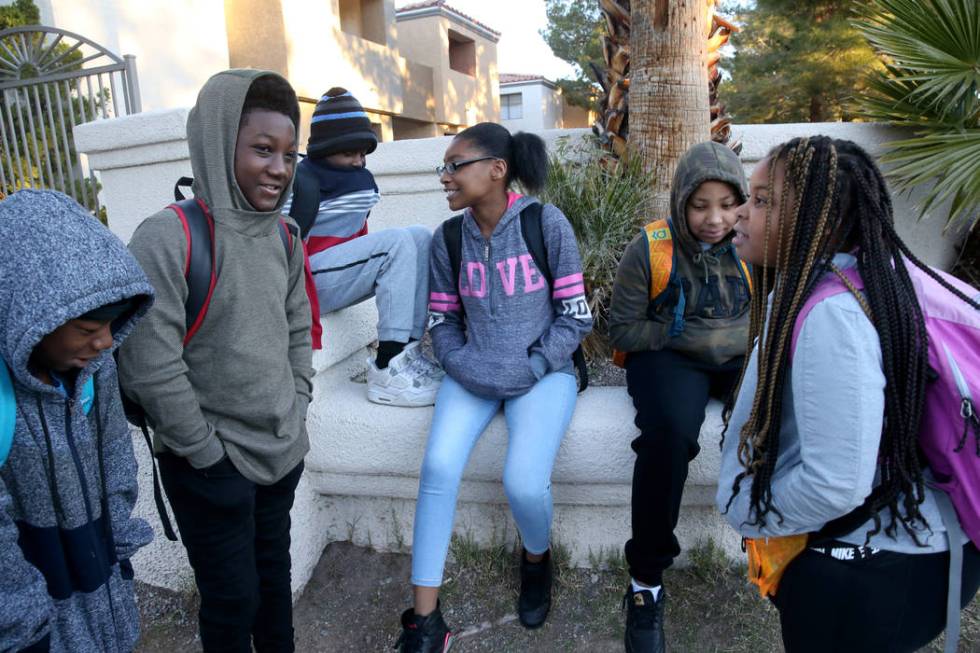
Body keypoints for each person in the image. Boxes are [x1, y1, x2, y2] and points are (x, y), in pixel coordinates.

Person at [716, 136, 980, 652]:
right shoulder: (854, 278)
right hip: (884, 551)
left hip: (872, 571)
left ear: (822, 219)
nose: (741, 213)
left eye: (763, 200)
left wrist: (748, 511)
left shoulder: (832, 312)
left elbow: (834, 484)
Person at [117, 70, 313, 653]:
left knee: (274, 593)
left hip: (281, 454)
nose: (279, 169)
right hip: (211, 470)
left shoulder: (284, 236)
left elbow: (297, 325)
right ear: (217, 140)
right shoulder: (166, 238)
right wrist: (206, 455)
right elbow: (149, 364)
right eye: (261, 149)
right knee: (232, 605)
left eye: (287, 153)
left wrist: (298, 405)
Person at [394, 123, 592, 652]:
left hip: (541, 376)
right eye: (445, 167)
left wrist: (531, 364)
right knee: (437, 468)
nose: (445, 177)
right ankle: (425, 622)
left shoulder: (546, 225)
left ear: (497, 169)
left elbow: (576, 317)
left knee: (524, 482)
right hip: (474, 376)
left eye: (455, 165)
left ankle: (535, 558)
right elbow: (441, 321)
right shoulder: (450, 238)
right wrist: (463, 364)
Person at [608, 141, 750, 653]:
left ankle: (784, 546)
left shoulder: (753, 244)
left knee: (789, 411)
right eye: (700, 204)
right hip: (668, 354)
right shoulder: (651, 248)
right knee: (668, 436)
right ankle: (645, 582)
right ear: (680, 202)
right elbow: (621, 330)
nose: (716, 219)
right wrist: (686, 337)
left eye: (727, 204)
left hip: (739, 355)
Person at [0, 189, 154, 652]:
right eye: (87, 330)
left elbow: (117, 460)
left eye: (111, 326)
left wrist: (120, 550)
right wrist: (23, 626)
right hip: (38, 619)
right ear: (31, 319)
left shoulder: (93, 371)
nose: (106, 342)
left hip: (105, 583)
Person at [282, 87, 442, 407]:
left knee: (420, 235)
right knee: (395, 243)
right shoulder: (299, 181)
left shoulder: (357, 181)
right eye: (348, 153)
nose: (358, 161)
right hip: (301, 283)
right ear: (325, 150)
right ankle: (387, 366)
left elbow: (357, 236)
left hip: (332, 275)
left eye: (362, 153)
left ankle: (406, 353)